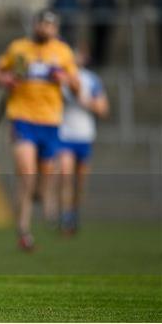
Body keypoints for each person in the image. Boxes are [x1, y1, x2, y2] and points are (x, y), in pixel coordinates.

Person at [0, 9, 79, 252]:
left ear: (55, 29)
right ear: (35, 25)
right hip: (22, 119)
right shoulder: (19, 48)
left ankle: (41, 197)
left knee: (41, 184)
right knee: (26, 175)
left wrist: (65, 79)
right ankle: (24, 232)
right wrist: (4, 80)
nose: (44, 29)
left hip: (50, 122)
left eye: (49, 25)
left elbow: (77, 87)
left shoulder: (62, 53)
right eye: (41, 24)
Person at [58, 51, 109, 235]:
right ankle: (64, 217)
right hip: (64, 135)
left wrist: (84, 99)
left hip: (84, 136)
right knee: (65, 175)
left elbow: (103, 109)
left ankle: (74, 213)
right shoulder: (60, 78)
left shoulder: (91, 80)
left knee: (80, 182)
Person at [87, 0, 118, 68]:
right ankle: (95, 61)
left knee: (104, 44)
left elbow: (114, 7)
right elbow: (92, 7)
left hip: (106, 24)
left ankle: (102, 63)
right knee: (96, 43)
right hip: (97, 24)